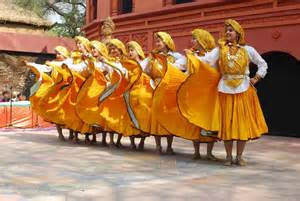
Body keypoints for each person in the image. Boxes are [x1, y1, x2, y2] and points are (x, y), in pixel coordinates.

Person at [187, 19, 268, 166]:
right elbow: (207, 60)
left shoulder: (248, 50)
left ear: (238, 33)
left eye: (230, 30)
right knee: (227, 125)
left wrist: (256, 78)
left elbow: (262, 63)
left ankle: (240, 156)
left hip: (243, 90)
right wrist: (192, 56)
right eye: (227, 31)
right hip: (224, 90)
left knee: (242, 124)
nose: (228, 33)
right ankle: (229, 157)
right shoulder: (220, 49)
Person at [178, 28, 219, 160]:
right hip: (194, 93)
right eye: (192, 38)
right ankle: (196, 151)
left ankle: (209, 152)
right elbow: (178, 66)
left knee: (209, 121)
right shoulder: (190, 55)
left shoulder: (212, 54)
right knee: (194, 122)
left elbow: (208, 65)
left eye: (195, 38)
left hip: (209, 93)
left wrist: (191, 57)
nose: (192, 41)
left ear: (202, 40)